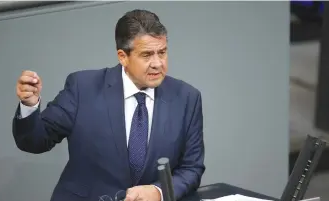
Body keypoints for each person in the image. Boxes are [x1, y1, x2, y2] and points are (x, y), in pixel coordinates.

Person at [13, 9, 205, 201]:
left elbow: (192, 168)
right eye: (147, 55)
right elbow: (35, 141)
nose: (157, 63)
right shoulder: (83, 88)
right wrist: (29, 106)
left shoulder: (187, 98)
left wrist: (158, 191)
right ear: (123, 57)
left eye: (162, 52)